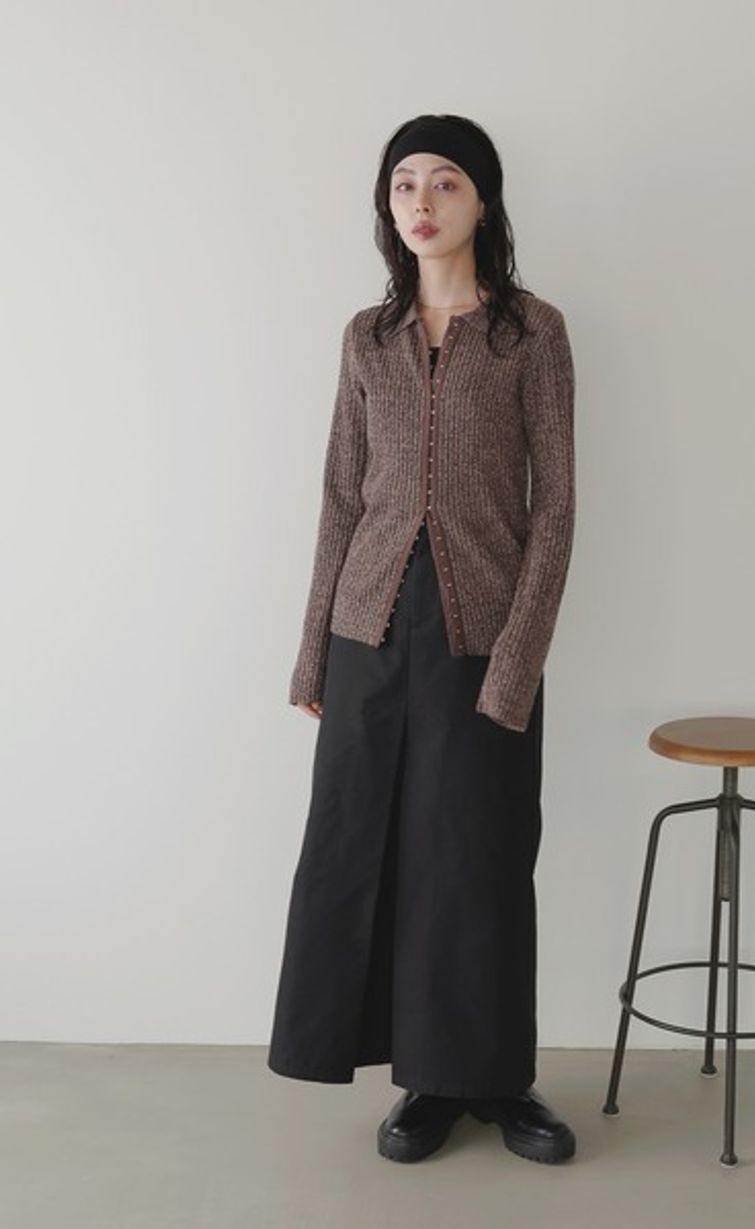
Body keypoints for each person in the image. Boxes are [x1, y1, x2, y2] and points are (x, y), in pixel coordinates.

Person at [267, 114, 577, 1165]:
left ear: (483, 201)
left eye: (446, 181)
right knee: (366, 846)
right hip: (369, 627)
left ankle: (496, 1079)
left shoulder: (532, 333)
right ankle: (423, 1081)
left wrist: (519, 660)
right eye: (405, 183)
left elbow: (555, 508)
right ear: (387, 205)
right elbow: (339, 496)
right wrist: (313, 650)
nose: (423, 201)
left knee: (476, 852)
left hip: (481, 631)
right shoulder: (367, 335)